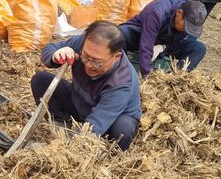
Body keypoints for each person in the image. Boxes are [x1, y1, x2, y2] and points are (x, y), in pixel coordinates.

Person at [31, 20, 141, 150]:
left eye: (96, 62)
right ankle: (61, 126)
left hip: (109, 119)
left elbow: (96, 124)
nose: (88, 64)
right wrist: (56, 55)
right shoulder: (84, 43)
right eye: (86, 57)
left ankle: (107, 153)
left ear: (116, 57)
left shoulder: (121, 83)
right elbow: (50, 48)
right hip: (82, 102)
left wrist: (62, 149)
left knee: (122, 130)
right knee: (41, 80)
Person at [117, 0, 208, 78]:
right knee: (119, 35)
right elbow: (145, 47)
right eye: (186, 26)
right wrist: (149, 77)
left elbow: (188, 39)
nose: (186, 30)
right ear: (179, 13)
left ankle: (173, 81)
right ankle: (120, 75)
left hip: (167, 43)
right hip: (141, 36)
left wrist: (163, 47)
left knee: (199, 48)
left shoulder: (192, 16)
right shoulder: (157, 13)